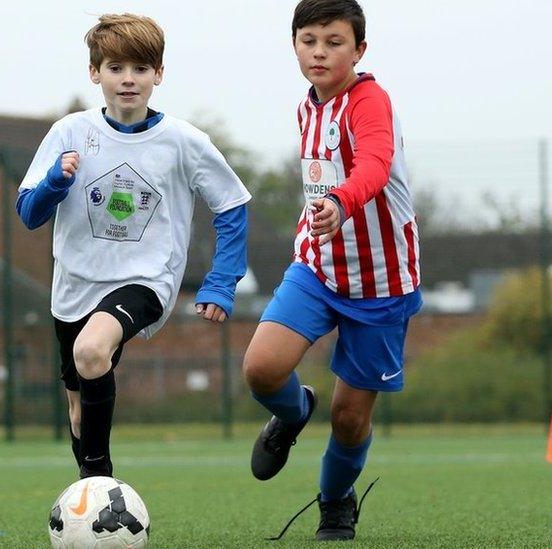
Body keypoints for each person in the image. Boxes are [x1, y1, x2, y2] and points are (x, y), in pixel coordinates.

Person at [17, 13, 251, 479]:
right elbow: (29, 214)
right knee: (80, 411)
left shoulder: (184, 142)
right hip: (74, 284)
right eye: (116, 68)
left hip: (145, 280)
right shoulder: (69, 133)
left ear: (159, 74)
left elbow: (233, 206)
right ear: (94, 73)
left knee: (90, 350)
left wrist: (221, 282)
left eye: (141, 69)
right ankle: (93, 486)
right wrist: (54, 184)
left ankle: (98, 485)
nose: (128, 79)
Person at [243, 0, 422, 542]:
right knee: (261, 370)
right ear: (294, 44)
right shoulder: (307, 106)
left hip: (381, 285)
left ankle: (336, 502)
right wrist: (327, 215)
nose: (319, 52)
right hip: (318, 269)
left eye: (334, 41)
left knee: (349, 419)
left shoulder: (369, 102)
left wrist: (343, 203)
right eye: (309, 40)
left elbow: (372, 162)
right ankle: (294, 414)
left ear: (359, 49)